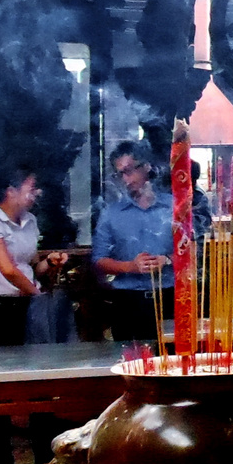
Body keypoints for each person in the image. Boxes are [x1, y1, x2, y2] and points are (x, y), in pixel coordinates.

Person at [0, 167, 66, 464]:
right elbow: (8, 270)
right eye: (30, 188)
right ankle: (4, 461)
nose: (35, 194)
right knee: (3, 385)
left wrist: (48, 263)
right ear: (11, 191)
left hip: (29, 305)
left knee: (40, 381)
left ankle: (44, 455)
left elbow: (28, 265)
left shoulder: (30, 221)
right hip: (2, 309)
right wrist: (36, 294)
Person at [93, 141, 175, 342]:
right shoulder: (110, 214)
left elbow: (193, 249)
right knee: (129, 362)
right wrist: (130, 266)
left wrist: (167, 260)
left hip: (170, 297)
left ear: (146, 166)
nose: (125, 180)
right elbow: (99, 260)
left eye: (129, 171)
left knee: (172, 361)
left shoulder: (174, 207)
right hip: (128, 301)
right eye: (119, 174)